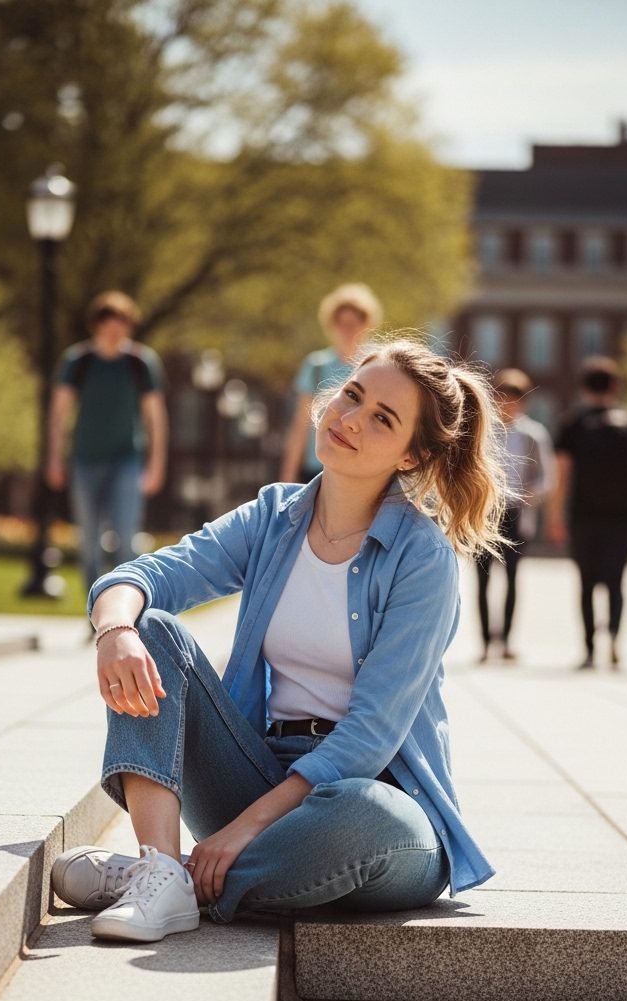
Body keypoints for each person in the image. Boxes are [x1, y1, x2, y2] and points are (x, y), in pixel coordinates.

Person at [50, 336, 506, 945]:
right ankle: (160, 867)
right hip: (258, 771)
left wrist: (244, 829)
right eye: (352, 395)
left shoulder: (422, 557)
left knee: (363, 816)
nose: (351, 419)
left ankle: (173, 882)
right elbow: (149, 575)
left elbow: (371, 735)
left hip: (378, 806)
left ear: (410, 455)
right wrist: (115, 630)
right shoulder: (274, 516)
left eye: (382, 419)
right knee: (152, 630)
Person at [45, 290, 169, 593]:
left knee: (126, 538)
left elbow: (155, 417)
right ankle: (95, 608)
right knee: (88, 540)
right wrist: (54, 458)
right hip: (85, 460)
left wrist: (156, 465)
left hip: (126, 460)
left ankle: (128, 606)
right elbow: (59, 413)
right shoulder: (78, 361)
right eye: (110, 326)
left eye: (123, 326)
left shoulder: (140, 363)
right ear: (96, 326)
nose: (116, 333)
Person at [548, 357, 627, 669]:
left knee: (587, 582)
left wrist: (555, 515)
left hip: (584, 516)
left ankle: (590, 648)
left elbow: (562, 475)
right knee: (617, 581)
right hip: (623, 518)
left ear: (583, 387)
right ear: (615, 386)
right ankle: (615, 640)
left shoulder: (572, 424)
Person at [475, 368, 555, 662]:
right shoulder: (484, 430)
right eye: (502, 398)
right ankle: (485, 642)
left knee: (511, 577)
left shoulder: (533, 434)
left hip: (516, 513)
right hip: (485, 513)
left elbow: (546, 477)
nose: (507, 405)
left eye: (514, 399)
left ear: (523, 403)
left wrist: (533, 494)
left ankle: (507, 640)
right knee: (482, 579)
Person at [279, 283, 382, 484]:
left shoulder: (379, 365)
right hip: (317, 468)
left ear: (366, 324)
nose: (347, 331)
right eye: (342, 324)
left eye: (353, 324)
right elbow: (301, 425)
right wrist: (287, 478)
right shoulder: (316, 366)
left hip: (361, 469)